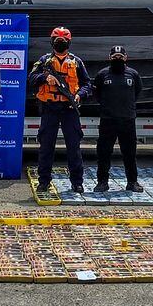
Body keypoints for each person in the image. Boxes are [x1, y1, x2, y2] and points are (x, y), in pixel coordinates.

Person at [32, 26, 89, 194]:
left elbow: (87, 84)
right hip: (49, 108)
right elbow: (31, 78)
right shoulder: (44, 61)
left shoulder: (77, 62)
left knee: (74, 147)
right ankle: (44, 181)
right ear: (52, 42)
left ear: (69, 43)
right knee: (46, 146)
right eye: (57, 41)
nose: (60, 43)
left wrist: (79, 96)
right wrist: (45, 77)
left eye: (63, 41)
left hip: (69, 109)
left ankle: (77, 182)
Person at [91, 45, 143, 193]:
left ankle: (132, 182)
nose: (118, 59)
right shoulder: (102, 74)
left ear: (125, 58)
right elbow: (97, 94)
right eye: (115, 57)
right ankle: (102, 182)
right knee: (104, 153)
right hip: (108, 120)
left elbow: (138, 91)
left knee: (130, 153)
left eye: (120, 57)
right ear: (110, 58)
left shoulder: (133, 74)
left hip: (127, 120)